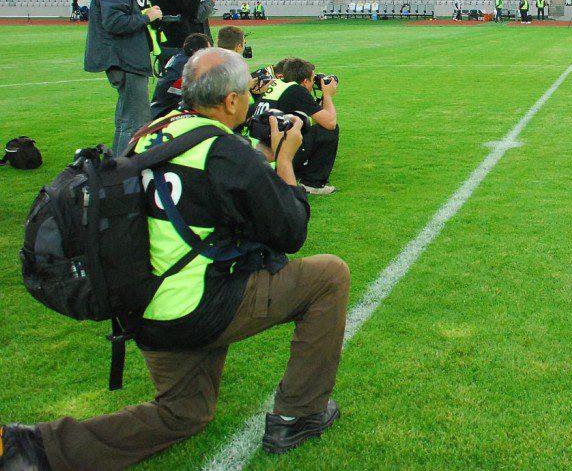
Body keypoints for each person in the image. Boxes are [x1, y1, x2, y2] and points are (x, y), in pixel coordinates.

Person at [0, 48, 349, 470]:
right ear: (232, 102)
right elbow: (290, 231)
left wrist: (258, 154)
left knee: (184, 414)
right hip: (200, 305)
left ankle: (34, 446)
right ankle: (299, 414)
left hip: (143, 307)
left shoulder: (148, 132)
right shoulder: (223, 152)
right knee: (329, 275)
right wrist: (285, 161)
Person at [84, 0, 163, 154]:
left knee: (126, 120)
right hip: (126, 60)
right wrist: (147, 17)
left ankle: (118, 166)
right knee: (136, 121)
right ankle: (125, 170)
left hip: (126, 60)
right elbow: (114, 22)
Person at [254, 57, 340, 195]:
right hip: (275, 157)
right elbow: (329, 123)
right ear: (305, 81)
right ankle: (312, 183)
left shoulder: (277, 85)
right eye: (312, 80)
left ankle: (298, 170)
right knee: (328, 131)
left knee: (301, 126)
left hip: (258, 151)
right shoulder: (296, 91)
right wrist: (327, 95)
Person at [150, 32, 210, 118]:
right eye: (208, 50)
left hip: (161, 110)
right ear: (197, 51)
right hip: (165, 114)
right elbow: (195, 99)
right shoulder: (186, 68)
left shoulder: (181, 60)